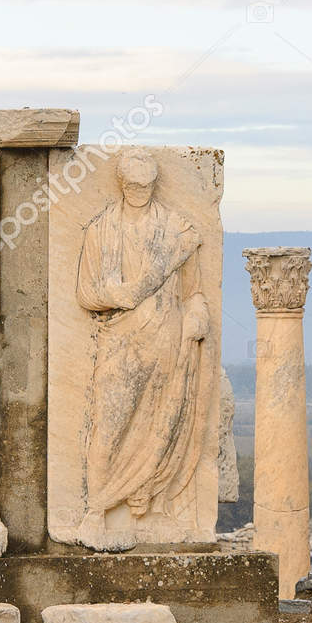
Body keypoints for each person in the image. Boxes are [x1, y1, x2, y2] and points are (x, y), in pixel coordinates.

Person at [75, 150, 209, 526]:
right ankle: (96, 507)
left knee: (160, 422)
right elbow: (85, 294)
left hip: (166, 340)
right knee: (109, 423)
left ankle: (145, 502)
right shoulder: (101, 229)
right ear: (122, 184)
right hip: (119, 340)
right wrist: (117, 295)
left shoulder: (177, 231)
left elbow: (194, 292)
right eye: (134, 185)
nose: (140, 191)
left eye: (146, 185)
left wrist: (197, 315)